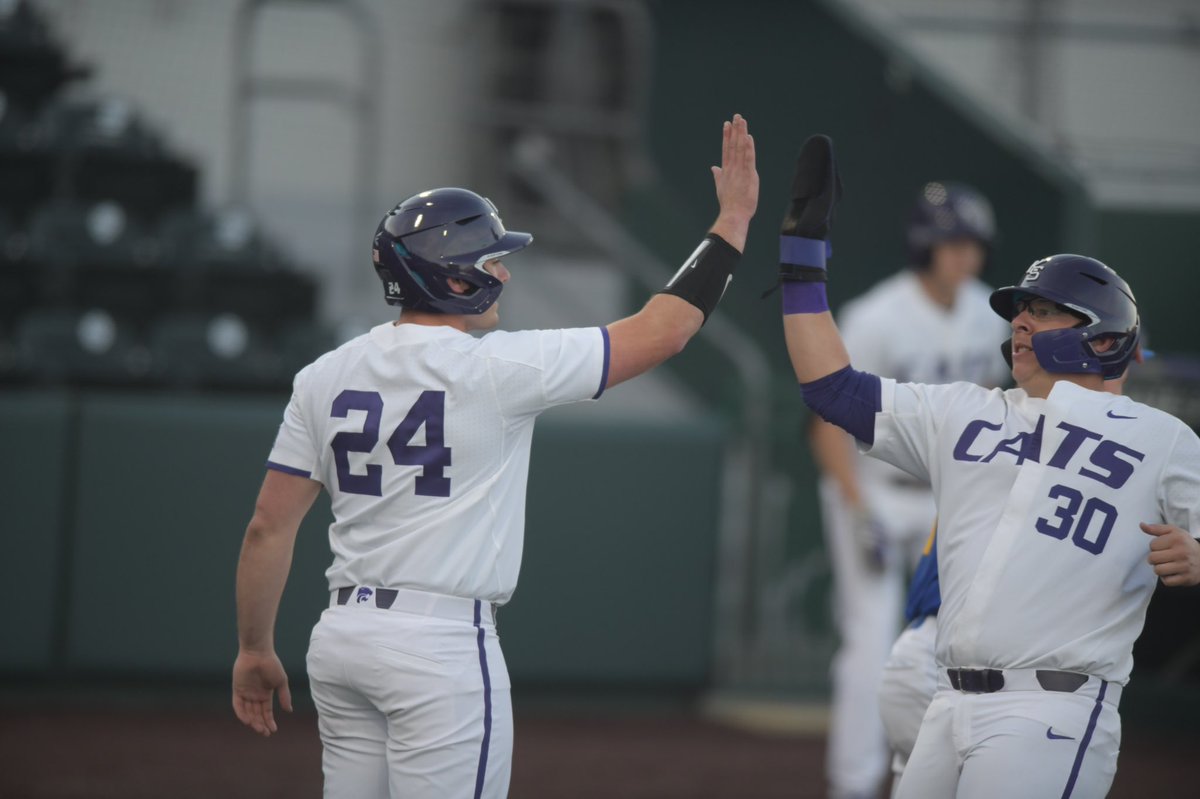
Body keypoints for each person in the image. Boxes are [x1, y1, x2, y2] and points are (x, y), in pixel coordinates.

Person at [231, 115, 759, 797]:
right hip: (439, 645)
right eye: (489, 261)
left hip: (342, 638)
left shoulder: (322, 375)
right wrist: (732, 223)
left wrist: (253, 647)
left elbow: (267, 527)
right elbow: (667, 330)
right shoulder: (496, 368)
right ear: (452, 279)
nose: (503, 272)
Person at [774, 133, 1200, 798]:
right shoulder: (967, 410)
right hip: (946, 700)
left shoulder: (1163, 438)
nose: (1021, 322)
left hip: (1051, 710)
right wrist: (802, 257)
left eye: (1044, 311)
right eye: (1020, 311)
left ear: (1104, 336)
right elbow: (830, 388)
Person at [810, 181, 1008, 799]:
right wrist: (856, 507)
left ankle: (943, 775)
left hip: (948, 494)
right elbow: (826, 422)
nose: (965, 255)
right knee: (870, 640)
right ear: (925, 245)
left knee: (958, 643)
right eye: (953, 243)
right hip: (874, 486)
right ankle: (852, 783)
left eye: (972, 243)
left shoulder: (989, 315)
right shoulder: (876, 316)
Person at [876, 349, 1149, 792]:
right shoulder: (1057, 444)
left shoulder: (1008, 435)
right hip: (954, 668)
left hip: (928, 662)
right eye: (1117, 370)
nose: (1119, 383)